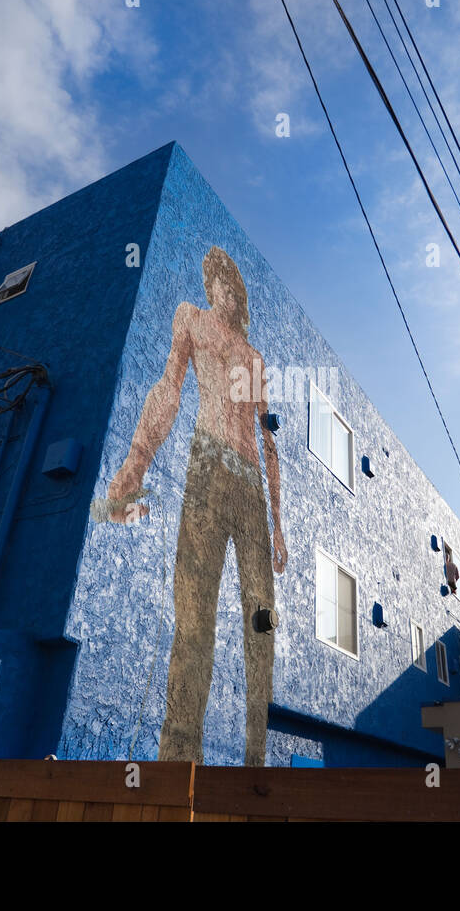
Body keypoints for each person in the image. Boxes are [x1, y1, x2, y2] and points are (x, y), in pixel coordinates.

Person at [106, 246, 286, 766]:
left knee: (261, 619)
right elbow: (168, 389)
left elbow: (268, 442)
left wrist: (278, 524)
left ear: (238, 295)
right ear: (209, 288)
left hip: (250, 486)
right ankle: (178, 758)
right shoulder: (191, 319)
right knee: (194, 615)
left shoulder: (254, 358)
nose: (222, 291)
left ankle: (257, 756)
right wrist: (135, 465)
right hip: (207, 466)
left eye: (230, 284)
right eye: (216, 282)